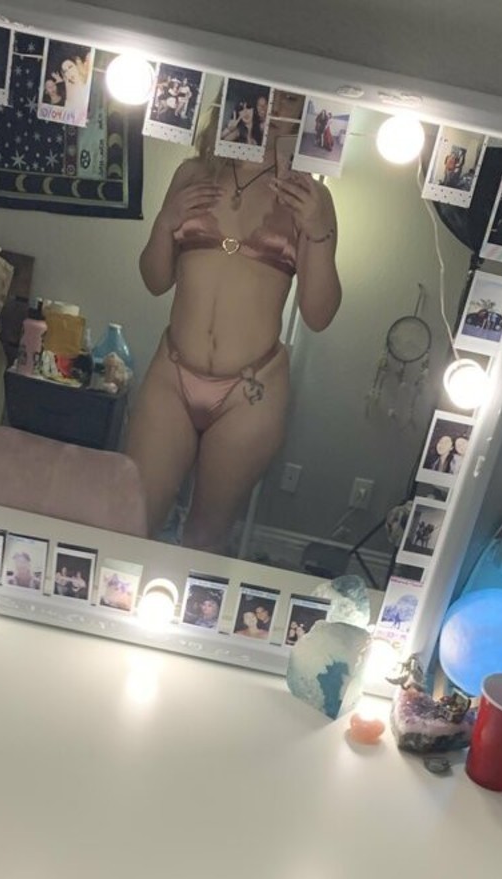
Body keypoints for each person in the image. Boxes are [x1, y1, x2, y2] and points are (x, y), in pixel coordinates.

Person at [127, 88, 341, 552]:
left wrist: (318, 230)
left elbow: (318, 315)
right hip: (172, 375)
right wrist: (164, 223)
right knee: (134, 520)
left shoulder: (311, 198)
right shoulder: (193, 174)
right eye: (267, 95)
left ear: (307, 114)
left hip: (251, 391)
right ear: (239, 96)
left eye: (290, 101)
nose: (275, 109)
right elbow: (155, 280)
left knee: (205, 534)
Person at [59, 49, 92, 121]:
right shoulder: (69, 89)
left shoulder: (89, 82)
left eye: (70, 67)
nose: (69, 72)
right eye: (65, 71)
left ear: (77, 65)